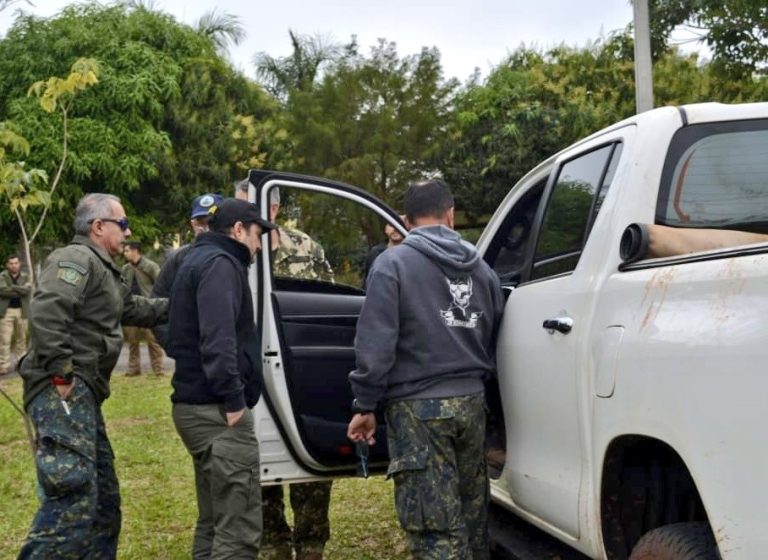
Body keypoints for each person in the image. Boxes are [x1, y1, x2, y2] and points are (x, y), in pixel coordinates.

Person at [347, 179, 505, 560]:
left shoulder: (392, 265)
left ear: (405, 219)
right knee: (472, 518)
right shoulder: (482, 268)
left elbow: (376, 342)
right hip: (471, 404)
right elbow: (494, 330)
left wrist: (364, 403)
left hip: (417, 411)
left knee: (434, 529)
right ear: (450, 215)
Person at [18, 193, 168, 559]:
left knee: (102, 503)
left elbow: (131, 307)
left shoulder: (101, 266)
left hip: (83, 390)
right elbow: (49, 311)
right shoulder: (75, 258)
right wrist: (61, 375)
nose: (128, 230)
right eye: (123, 223)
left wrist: (180, 304)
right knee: (72, 498)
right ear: (98, 226)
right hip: (64, 388)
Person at [167, 198, 276, 559]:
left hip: (195, 406)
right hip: (216, 412)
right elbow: (219, 340)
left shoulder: (197, 258)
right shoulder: (221, 265)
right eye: (258, 235)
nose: (259, 245)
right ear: (239, 230)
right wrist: (233, 402)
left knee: (214, 521)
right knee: (238, 530)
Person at [236, 180, 334, 560]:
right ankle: (273, 543)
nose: (240, 216)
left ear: (272, 209)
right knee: (258, 467)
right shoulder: (230, 253)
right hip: (250, 373)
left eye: (248, 207)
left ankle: (311, 544)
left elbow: (323, 303)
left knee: (309, 465)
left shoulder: (305, 247)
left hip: (296, 368)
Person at [151, 192, 223, 349]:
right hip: (190, 353)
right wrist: (173, 344)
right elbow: (157, 301)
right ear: (192, 223)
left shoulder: (233, 256)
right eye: (200, 222)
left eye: (210, 221)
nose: (205, 228)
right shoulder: (179, 258)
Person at [121, 241, 164, 376]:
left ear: (135, 251)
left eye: (127, 250)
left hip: (147, 306)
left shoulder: (150, 266)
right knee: (132, 340)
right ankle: (134, 368)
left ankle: (158, 369)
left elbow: (160, 283)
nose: (125, 253)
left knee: (152, 340)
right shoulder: (125, 269)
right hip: (131, 307)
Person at [0, 254, 31, 375]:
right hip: (6, 312)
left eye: (16, 263)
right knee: (4, 340)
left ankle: (21, 364)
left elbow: (27, 290)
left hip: (22, 311)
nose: (14, 265)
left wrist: (12, 287)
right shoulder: (2, 276)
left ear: (19, 264)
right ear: (7, 265)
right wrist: (19, 289)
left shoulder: (26, 276)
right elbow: (2, 290)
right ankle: (3, 365)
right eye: (11, 263)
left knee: (22, 339)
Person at [362, 219, 405, 289]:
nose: (395, 229)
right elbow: (367, 282)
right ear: (386, 229)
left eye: (400, 225)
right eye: (391, 225)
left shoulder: (413, 254)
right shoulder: (376, 252)